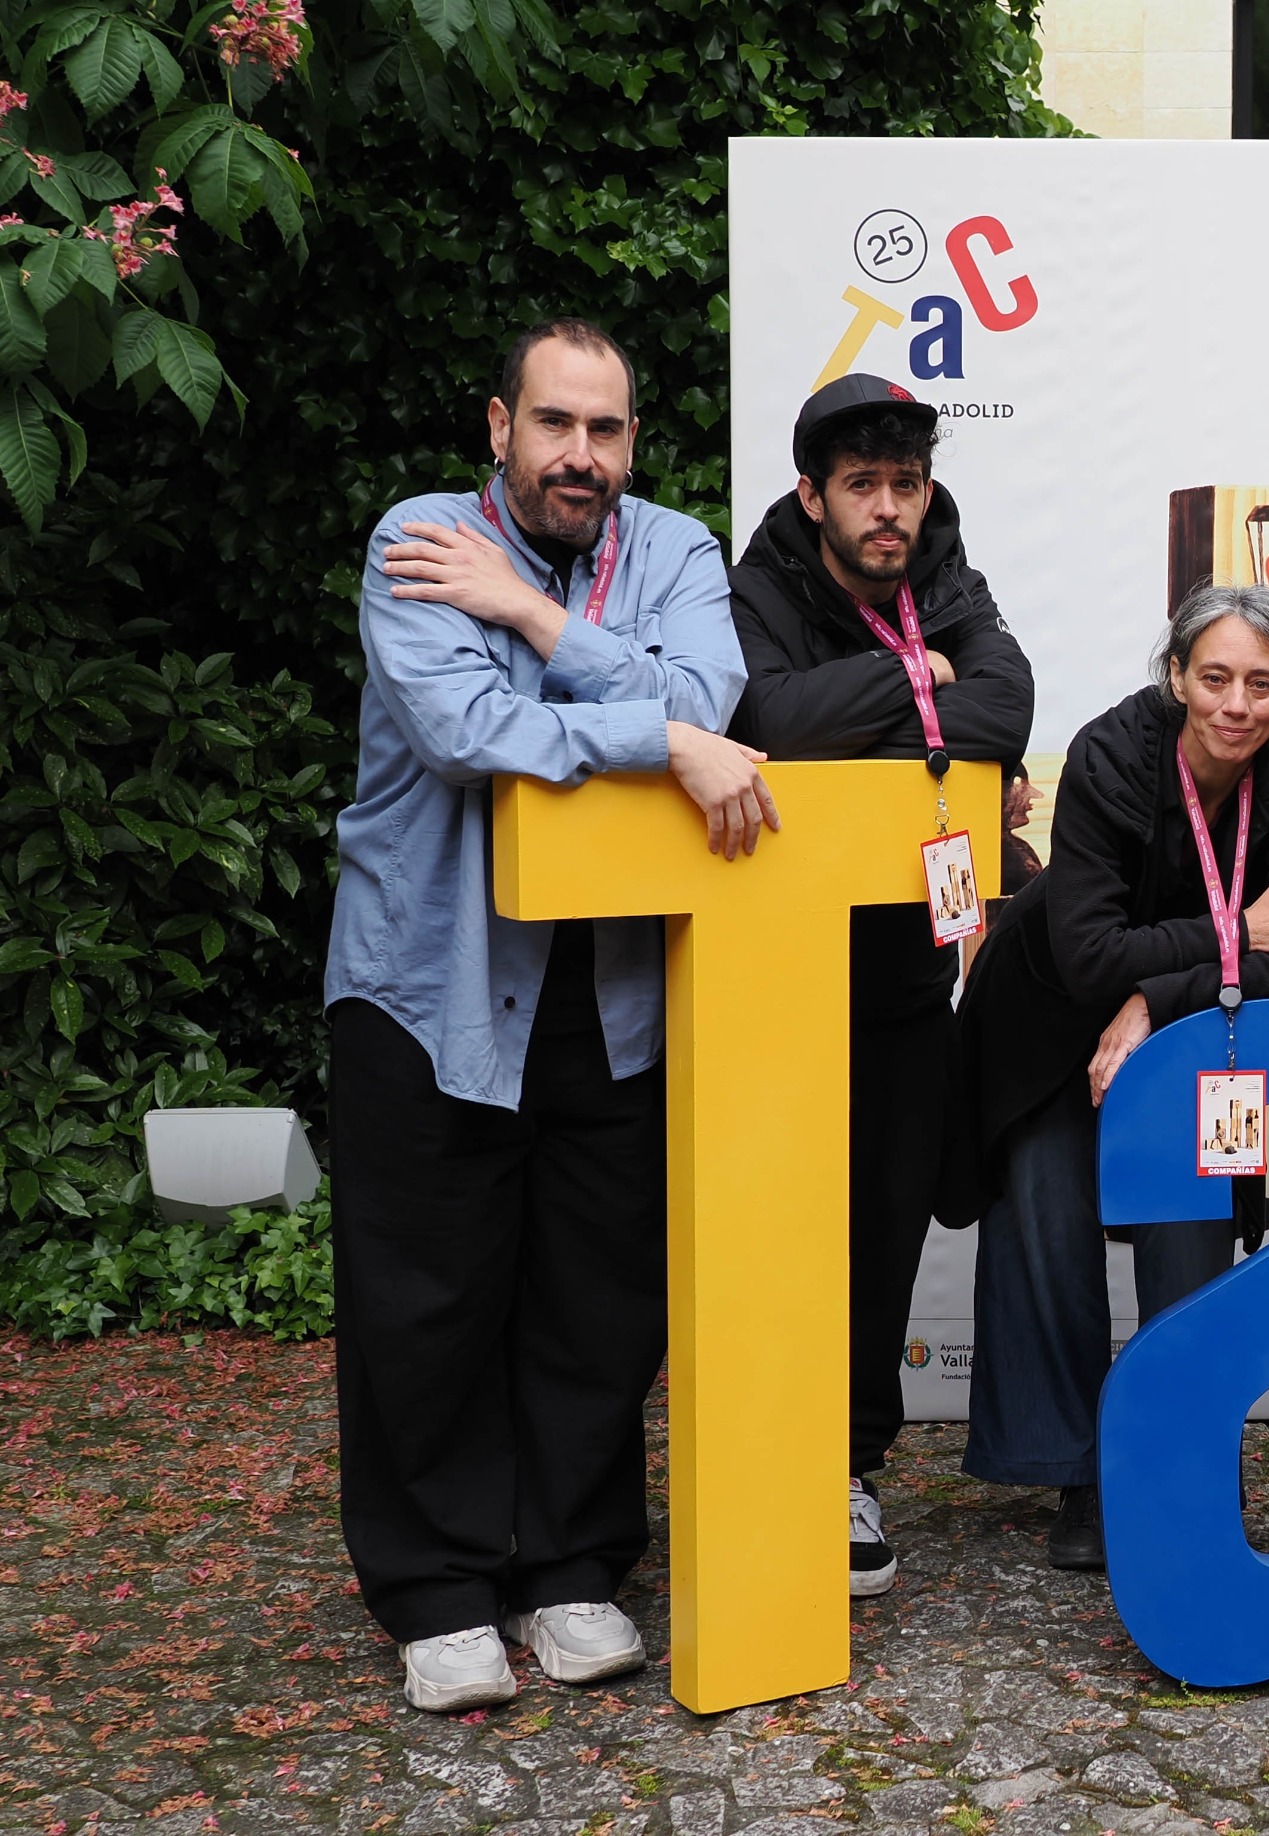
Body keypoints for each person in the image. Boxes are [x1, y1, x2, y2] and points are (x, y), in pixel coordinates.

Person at [325, 318, 777, 1713]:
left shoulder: (679, 552)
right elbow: (468, 731)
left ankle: (573, 1569)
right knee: (427, 1299)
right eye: (554, 423)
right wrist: (659, 738)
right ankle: (439, 1589)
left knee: (597, 1294)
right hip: (432, 984)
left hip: (612, 993)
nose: (580, 454)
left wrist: (531, 618)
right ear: (499, 426)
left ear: (632, 442)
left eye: (606, 429)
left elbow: (712, 692)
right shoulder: (421, 540)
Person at [945, 584, 1269, 1569]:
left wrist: (1154, 1000)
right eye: (1215, 678)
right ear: (1176, 676)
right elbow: (1087, 953)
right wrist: (1237, 930)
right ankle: (1082, 1475)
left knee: (1190, 1240)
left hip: (1199, 1030)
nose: (1236, 705)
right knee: (1047, 1222)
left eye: (1262, 684)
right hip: (1048, 1022)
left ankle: (1184, 1465)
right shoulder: (1112, 752)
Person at [725, 373, 1034, 1600]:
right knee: (776, 1230)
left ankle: (849, 1467)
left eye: (905, 483)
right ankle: (762, 1455)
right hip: (773, 975)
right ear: (815, 497)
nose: (889, 509)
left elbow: (1006, 704)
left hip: (907, 979)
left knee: (883, 1233)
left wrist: (907, 714)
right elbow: (766, 715)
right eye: (862, 486)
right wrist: (921, 685)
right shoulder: (757, 586)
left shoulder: (947, 573)